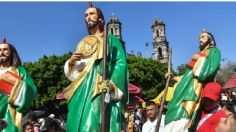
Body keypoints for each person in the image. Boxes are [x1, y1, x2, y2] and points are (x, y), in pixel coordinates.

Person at [61, 5, 128, 132]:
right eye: (86, 15)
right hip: (81, 88)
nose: (88, 17)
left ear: (100, 18)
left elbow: (120, 64)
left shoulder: (110, 40)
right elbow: (76, 73)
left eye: (91, 13)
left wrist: (113, 84)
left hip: (98, 86)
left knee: (92, 124)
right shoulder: (83, 42)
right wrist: (71, 63)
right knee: (76, 124)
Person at [164, 29, 221, 131]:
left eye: (203, 37)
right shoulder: (200, 52)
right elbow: (188, 75)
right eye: (199, 38)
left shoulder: (214, 51)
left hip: (194, 89)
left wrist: (199, 59)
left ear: (210, 39)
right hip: (184, 87)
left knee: (183, 114)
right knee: (173, 107)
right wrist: (174, 77)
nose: (200, 39)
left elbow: (210, 70)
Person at [0, 37, 37, 131]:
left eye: (5, 49)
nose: (2, 52)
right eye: (0, 50)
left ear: (12, 52)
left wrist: (15, 81)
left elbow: (32, 90)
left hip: (9, 113)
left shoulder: (20, 70)